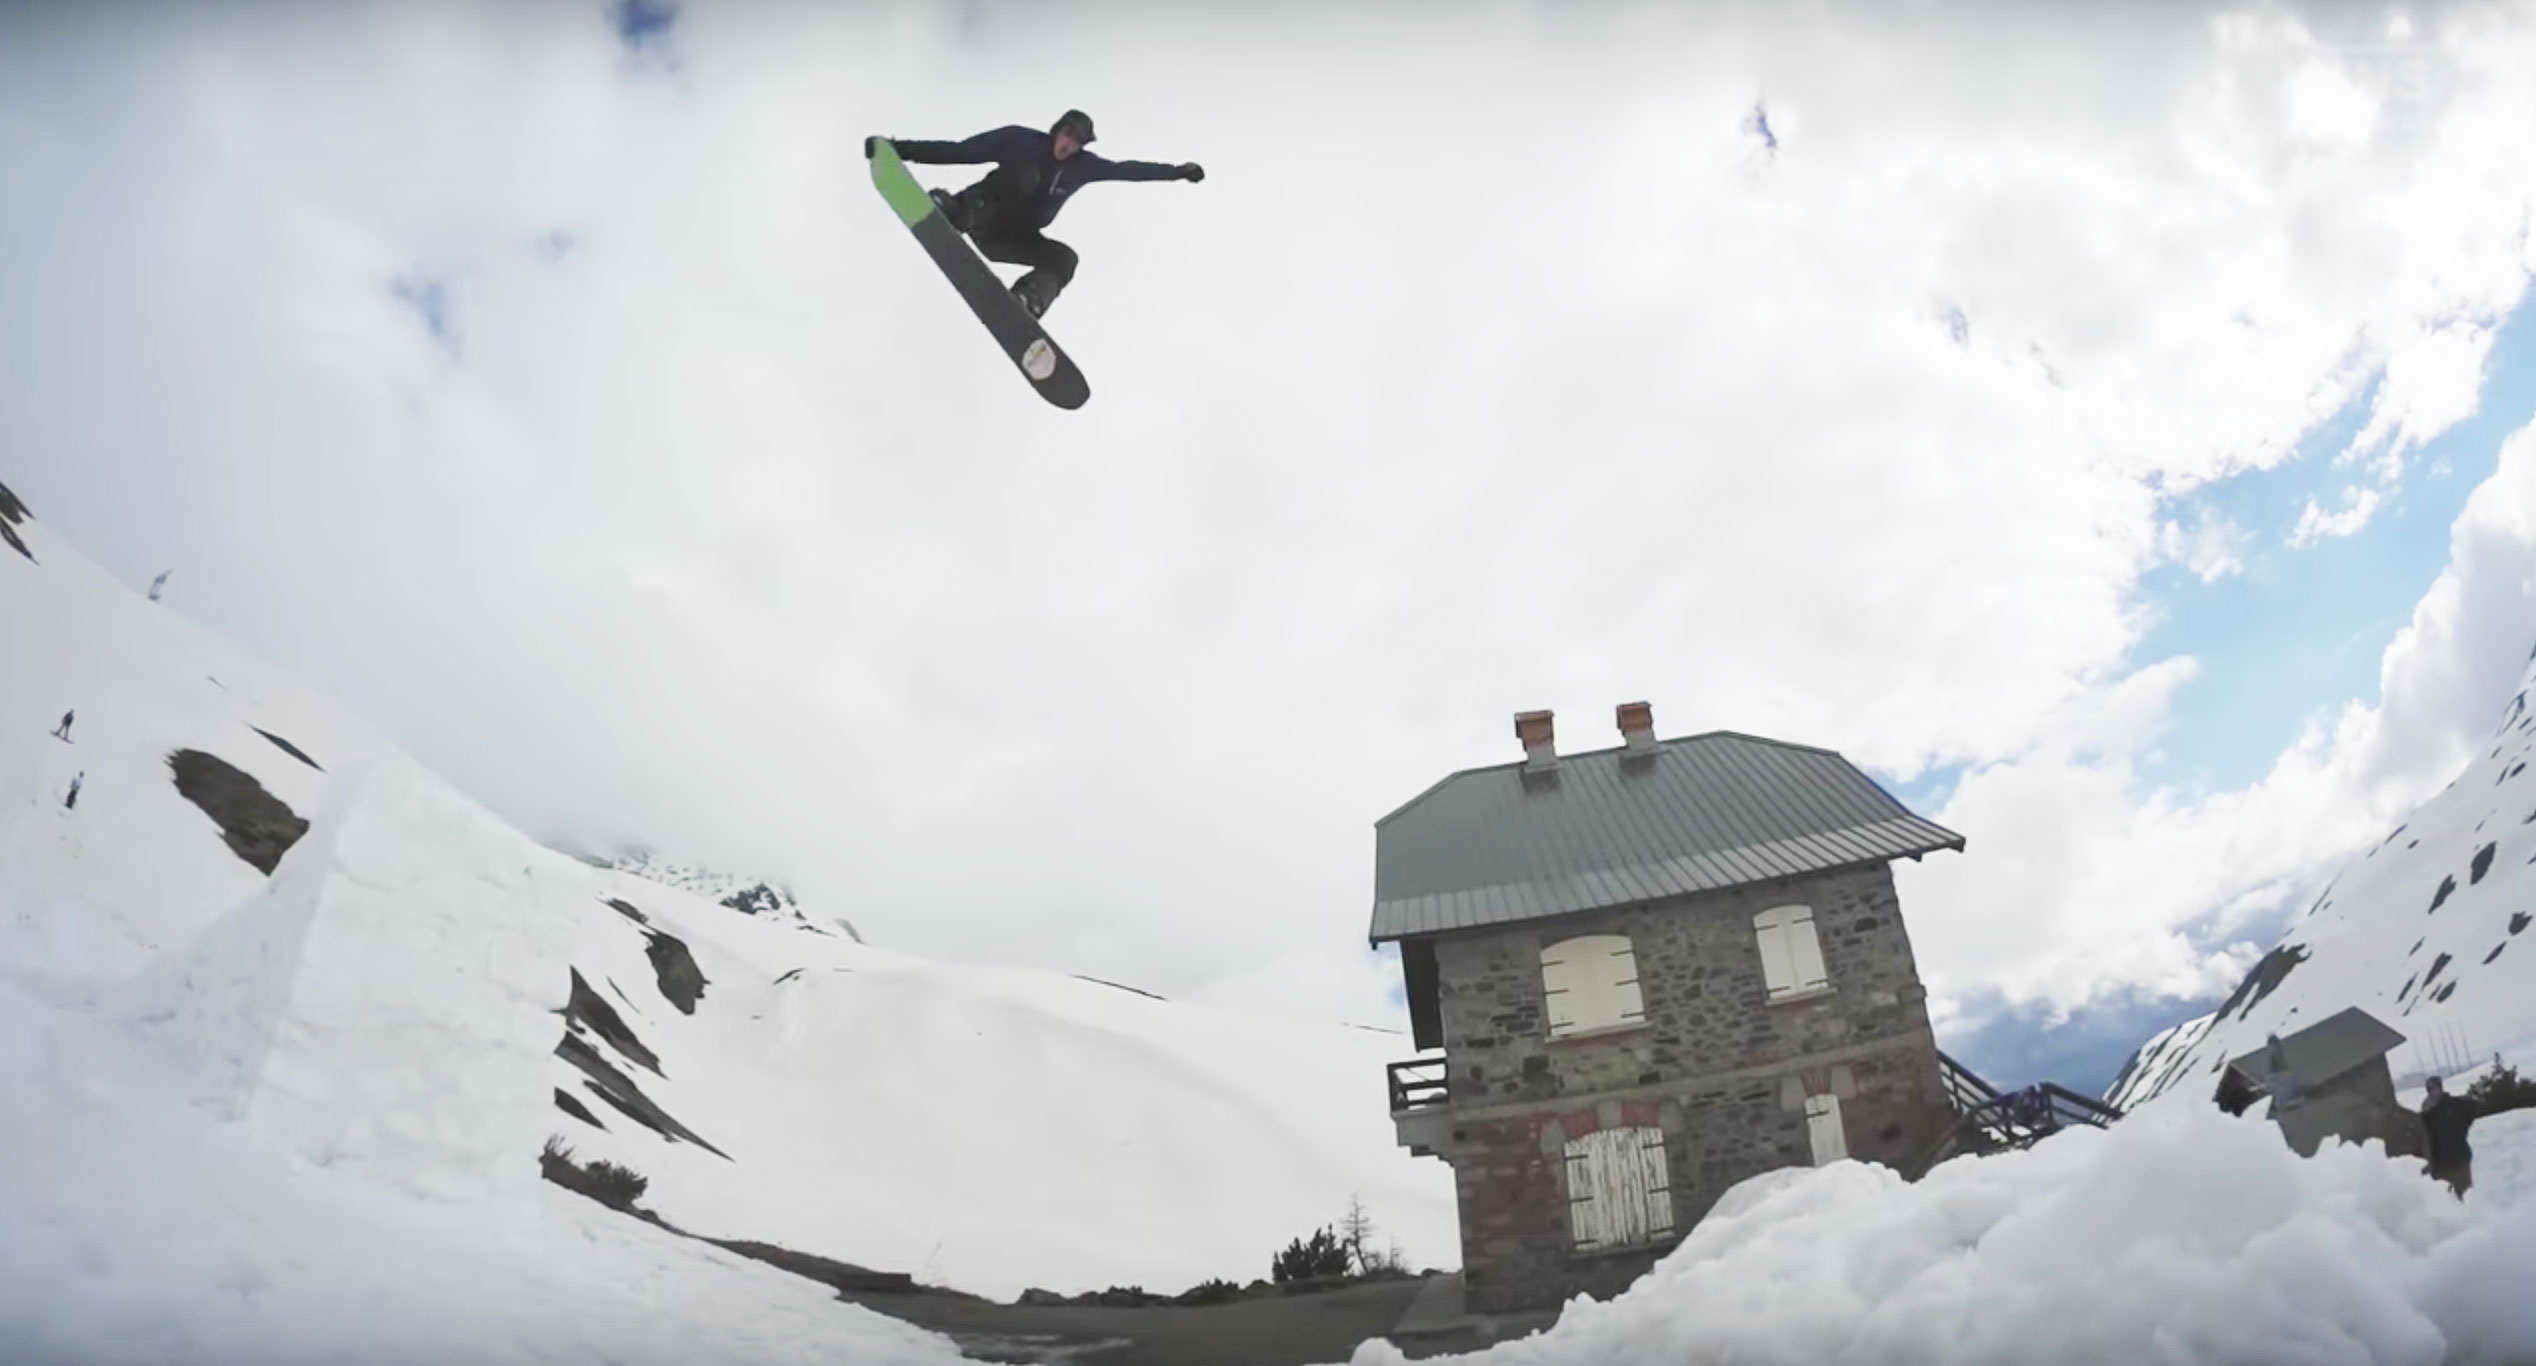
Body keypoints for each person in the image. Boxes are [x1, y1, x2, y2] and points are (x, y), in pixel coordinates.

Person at [866, 110, 1202, 319]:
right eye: (1067, 135)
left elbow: (1129, 170)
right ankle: (955, 210)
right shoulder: (1019, 139)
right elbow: (960, 151)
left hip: (1011, 241)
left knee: (1065, 259)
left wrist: (1177, 172)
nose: (1068, 145)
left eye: (1077, 142)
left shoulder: (1084, 167)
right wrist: (897, 149)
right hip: (982, 218)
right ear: (1057, 129)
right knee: (1025, 174)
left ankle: (1028, 299)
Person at [2418, 1075, 2478, 1196]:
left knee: (2464, 1193)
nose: (2434, 1092)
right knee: (2446, 1197)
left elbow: (2470, 1111)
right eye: (2431, 1089)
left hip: (2460, 1156)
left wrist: (2461, 1130)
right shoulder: (2429, 1113)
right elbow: (2427, 1137)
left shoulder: (2454, 1104)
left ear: (2441, 1088)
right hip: (2441, 1162)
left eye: (2436, 1088)